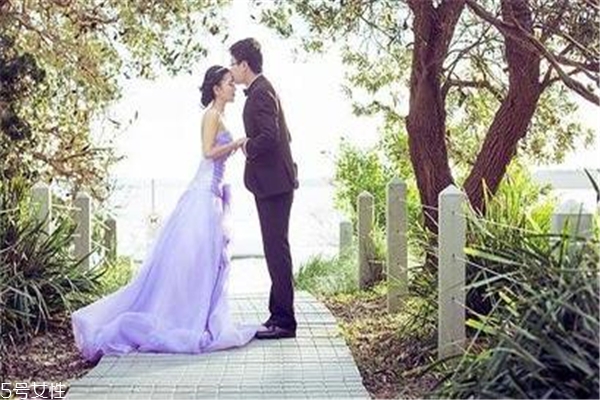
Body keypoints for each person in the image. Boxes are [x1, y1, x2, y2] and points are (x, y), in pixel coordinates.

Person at [71, 65, 255, 362]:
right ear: (216, 89)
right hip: (202, 196)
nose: (234, 87)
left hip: (213, 194)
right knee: (194, 261)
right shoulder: (211, 115)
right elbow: (208, 152)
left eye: (234, 83)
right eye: (229, 83)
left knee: (204, 263)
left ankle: (198, 316)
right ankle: (181, 318)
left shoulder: (220, 116)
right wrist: (237, 142)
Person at [229, 38, 298, 339]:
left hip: (274, 185)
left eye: (233, 63)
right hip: (275, 182)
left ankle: (285, 321)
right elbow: (285, 135)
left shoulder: (260, 93)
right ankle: (277, 315)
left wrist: (247, 145)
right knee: (275, 249)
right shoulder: (264, 89)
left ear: (245, 64)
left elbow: (270, 136)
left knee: (276, 250)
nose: (231, 70)